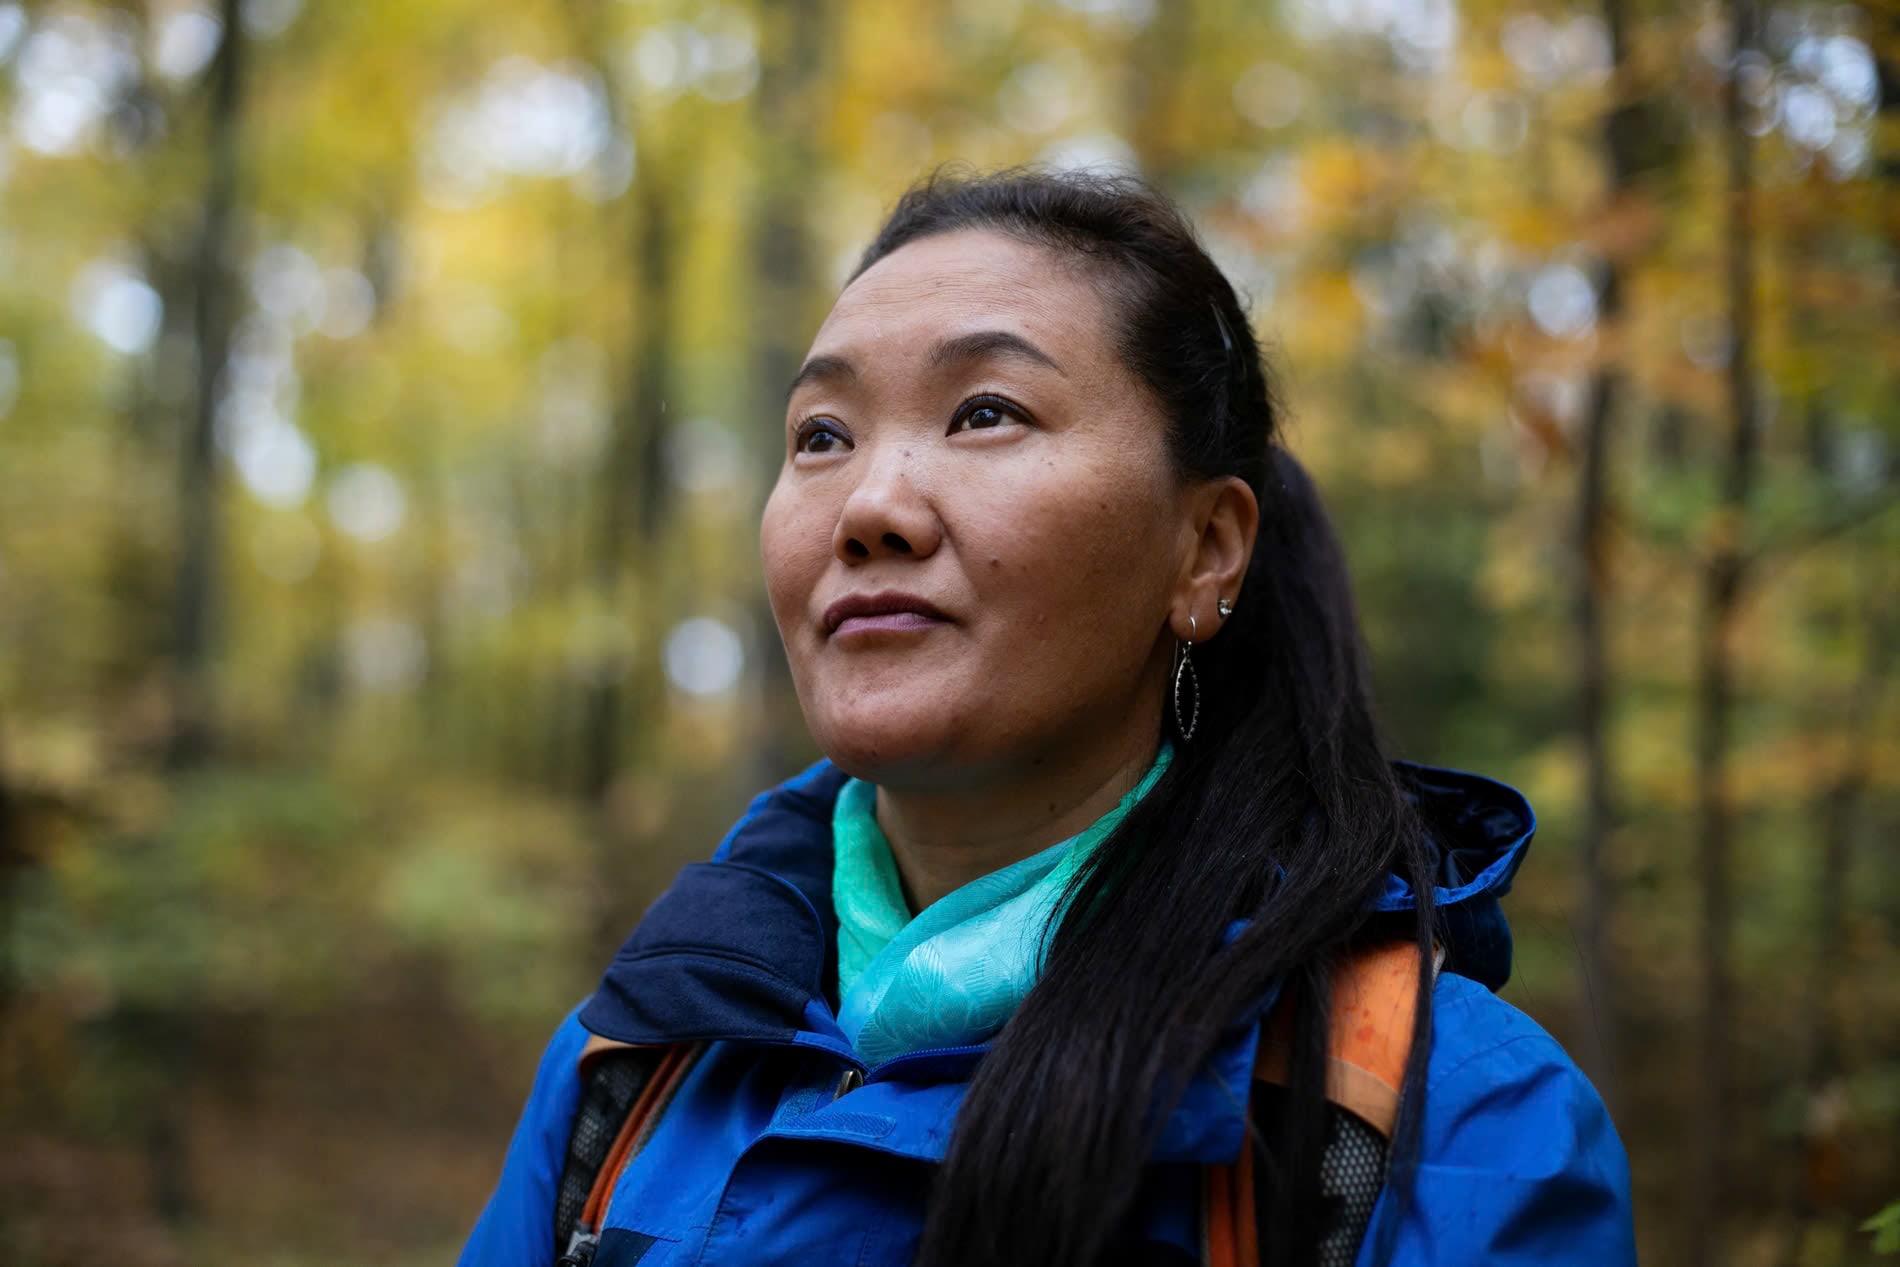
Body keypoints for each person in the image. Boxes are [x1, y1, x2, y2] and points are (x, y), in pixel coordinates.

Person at [457, 169, 1636, 1267]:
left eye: (985, 413)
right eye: (822, 434)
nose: (870, 505)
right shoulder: (637, 1060)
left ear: (1205, 549)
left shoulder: (1438, 1120)